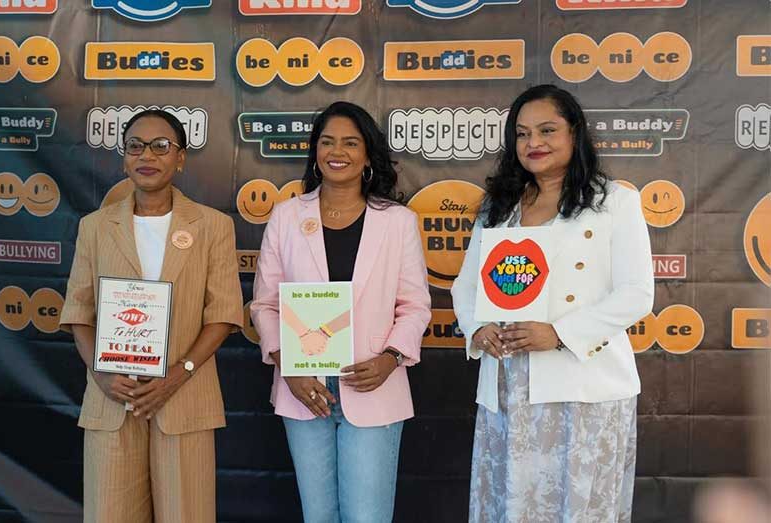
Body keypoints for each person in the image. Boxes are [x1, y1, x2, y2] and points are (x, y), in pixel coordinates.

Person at [451, 84, 654, 522]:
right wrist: (477, 329)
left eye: (547, 130)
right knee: (511, 505)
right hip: (510, 383)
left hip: (583, 387)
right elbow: (467, 286)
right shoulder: (498, 207)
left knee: (578, 510)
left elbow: (637, 293)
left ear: (575, 134)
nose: (533, 143)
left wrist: (560, 334)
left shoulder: (614, 202)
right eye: (522, 134)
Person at [251, 101, 431, 523]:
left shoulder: (398, 222)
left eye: (351, 142)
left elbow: (415, 305)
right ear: (315, 151)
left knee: (367, 516)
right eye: (327, 141)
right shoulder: (287, 216)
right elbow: (264, 303)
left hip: (372, 382)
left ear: (368, 154)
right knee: (317, 516)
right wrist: (289, 367)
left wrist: (391, 359)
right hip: (304, 387)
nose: (338, 151)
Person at [59, 109, 242, 523]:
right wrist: (102, 375)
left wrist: (178, 373)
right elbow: (79, 314)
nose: (148, 155)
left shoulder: (213, 226)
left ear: (180, 158)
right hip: (112, 400)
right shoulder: (95, 227)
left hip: (184, 398)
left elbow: (224, 314)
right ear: (124, 158)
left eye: (161, 146)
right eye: (136, 146)